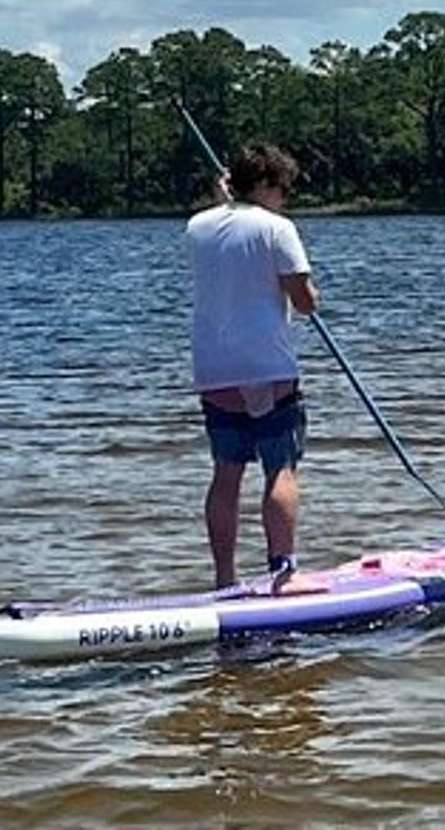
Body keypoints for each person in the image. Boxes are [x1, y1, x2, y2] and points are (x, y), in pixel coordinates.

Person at [185, 142, 319, 590]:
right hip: (267, 367)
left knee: (226, 473)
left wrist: (226, 202)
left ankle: (224, 577)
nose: (285, 198)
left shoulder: (197, 226)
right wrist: (312, 295)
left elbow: (230, 235)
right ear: (263, 185)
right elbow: (304, 303)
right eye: (282, 189)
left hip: (213, 369)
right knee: (280, 469)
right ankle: (284, 572)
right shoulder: (278, 228)